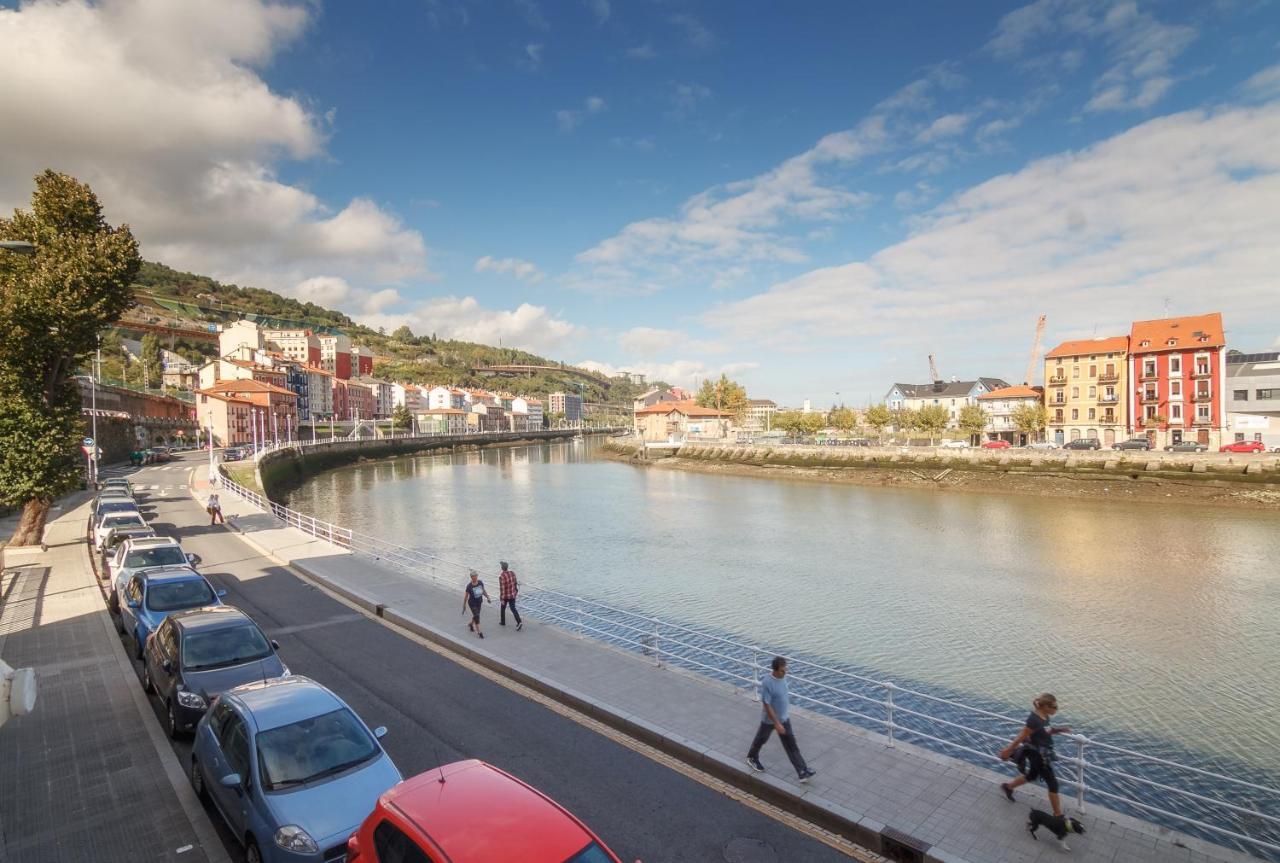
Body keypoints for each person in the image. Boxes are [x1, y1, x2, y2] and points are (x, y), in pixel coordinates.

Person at [999, 693, 1072, 817]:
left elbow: (1046, 730)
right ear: (1045, 707)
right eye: (1054, 707)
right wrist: (1008, 750)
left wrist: (1060, 730)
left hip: (1042, 752)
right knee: (1053, 784)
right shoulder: (1034, 720)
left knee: (1032, 775)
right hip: (1038, 755)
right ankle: (1058, 815)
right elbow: (1022, 736)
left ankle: (1008, 787)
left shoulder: (1044, 716)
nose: (1056, 709)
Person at [746, 656, 815, 783]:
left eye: (786, 669)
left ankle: (802, 771)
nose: (785, 672)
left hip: (784, 719)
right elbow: (766, 704)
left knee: (791, 745)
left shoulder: (782, 677)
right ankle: (751, 757)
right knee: (761, 740)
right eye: (783, 670)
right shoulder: (768, 682)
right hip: (770, 721)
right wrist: (776, 723)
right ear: (775, 670)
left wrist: (781, 719)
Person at [461, 570, 491, 638]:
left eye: (476, 576)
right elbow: (466, 596)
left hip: (479, 602)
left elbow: (483, 591)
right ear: (471, 577)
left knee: (476, 615)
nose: (475, 578)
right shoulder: (469, 586)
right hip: (472, 603)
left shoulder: (480, 583)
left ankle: (471, 624)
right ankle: (479, 632)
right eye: (473, 577)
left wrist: (488, 597)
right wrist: (464, 606)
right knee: (477, 616)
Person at [498, 561, 522, 631]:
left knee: (503, 608)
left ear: (502, 568)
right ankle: (519, 621)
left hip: (505, 596)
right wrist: (515, 592)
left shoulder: (502, 576)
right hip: (512, 594)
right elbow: (515, 583)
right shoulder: (512, 573)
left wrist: (501, 598)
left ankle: (503, 622)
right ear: (507, 567)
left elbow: (502, 588)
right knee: (513, 608)